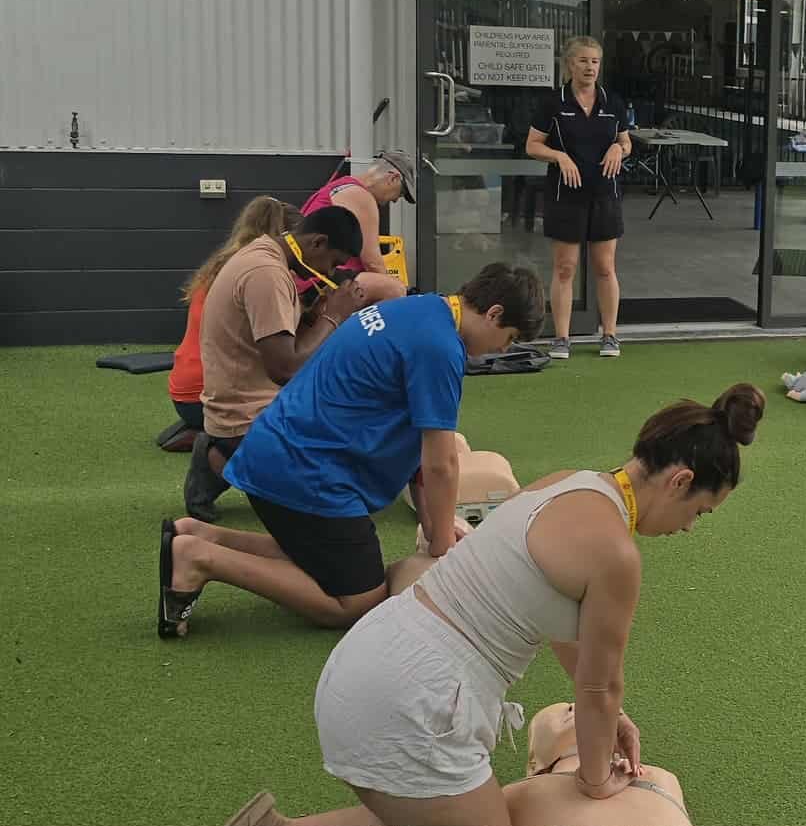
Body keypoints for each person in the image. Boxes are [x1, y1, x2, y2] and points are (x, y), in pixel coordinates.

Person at [227, 384, 761, 826]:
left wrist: (610, 720)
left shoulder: (564, 483)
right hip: (414, 701)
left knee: (432, 812)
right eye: (700, 512)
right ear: (680, 481)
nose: (689, 528)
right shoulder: (616, 555)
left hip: (368, 659)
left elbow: (567, 635)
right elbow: (599, 685)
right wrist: (597, 780)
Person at [159, 262, 545, 638]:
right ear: (494, 314)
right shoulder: (440, 347)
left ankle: (203, 536)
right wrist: (443, 544)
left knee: (319, 555)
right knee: (359, 600)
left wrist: (433, 526)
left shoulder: (419, 308)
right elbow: (440, 463)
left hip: (279, 452)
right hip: (303, 472)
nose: (501, 349)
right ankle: (200, 558)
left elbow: (417, 445)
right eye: (509, 338)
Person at [223, 702, 692, 826]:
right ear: (535, 763)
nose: (572, 706)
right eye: (560, 711)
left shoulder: (660, 777)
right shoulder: (533, 791)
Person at [184, 207, 369, 522]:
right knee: (335, 483)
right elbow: (286, 369)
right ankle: (221, 457)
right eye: (333, 262)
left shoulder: (265, 254)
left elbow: (283, 345)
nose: (330, 271)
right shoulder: (266, 273)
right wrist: (333, 316)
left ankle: (230, 449)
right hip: (249, 414)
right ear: (318, 243)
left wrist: (313, 318)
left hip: (247, 403)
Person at [164, 197, 300, 450]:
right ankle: (212, 438)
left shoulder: (226, 263)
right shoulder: (263, 273)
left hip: (185, 386)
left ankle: (203, 432)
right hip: (207, 395)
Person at [526, 35, 632, 362]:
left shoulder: (612, 103)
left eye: (595, 61)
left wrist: (618, 148)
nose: (589, 67)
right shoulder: (553, 103)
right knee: (565, 268)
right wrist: (559, 156)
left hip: (605, 195)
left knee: (605, 267)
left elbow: (626, 143)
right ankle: (561, 338)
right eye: (583, 61)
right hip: (566, 196)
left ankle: (609, 334)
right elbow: (532, 145)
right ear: (570, 64)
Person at [299, 151, 417, 306]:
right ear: (393, 178)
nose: (395, 200)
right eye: (400, 193)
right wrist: (398, 297)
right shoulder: (360, 196)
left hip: (309, 277)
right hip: (315, 282)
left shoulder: (342, 185)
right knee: (394, 289)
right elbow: (372, 263)